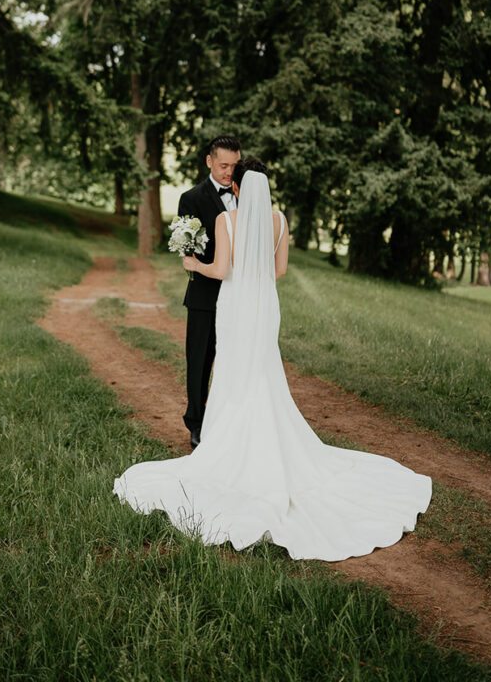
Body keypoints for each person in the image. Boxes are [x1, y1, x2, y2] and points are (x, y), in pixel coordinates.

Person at [114, 159, 431, 561]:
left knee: (233, 371)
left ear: (242, 188)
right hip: (265, 308)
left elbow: (222, 269)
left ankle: (225, 443)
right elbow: (278, 271)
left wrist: (194, 263)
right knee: (263, 371)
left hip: (235, 306)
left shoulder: (228, 221)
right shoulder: (279, 222)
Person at [176, 134, 241, 449]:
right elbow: (188, 252)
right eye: (224, 165)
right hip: (204, 295)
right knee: (199, 360)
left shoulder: (247, 196)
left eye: (234, 165)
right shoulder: (191, 198)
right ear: (209, 161)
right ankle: (196, 423)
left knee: (234, 360)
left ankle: (229, 421)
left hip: (238, 296)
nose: (229, 172)